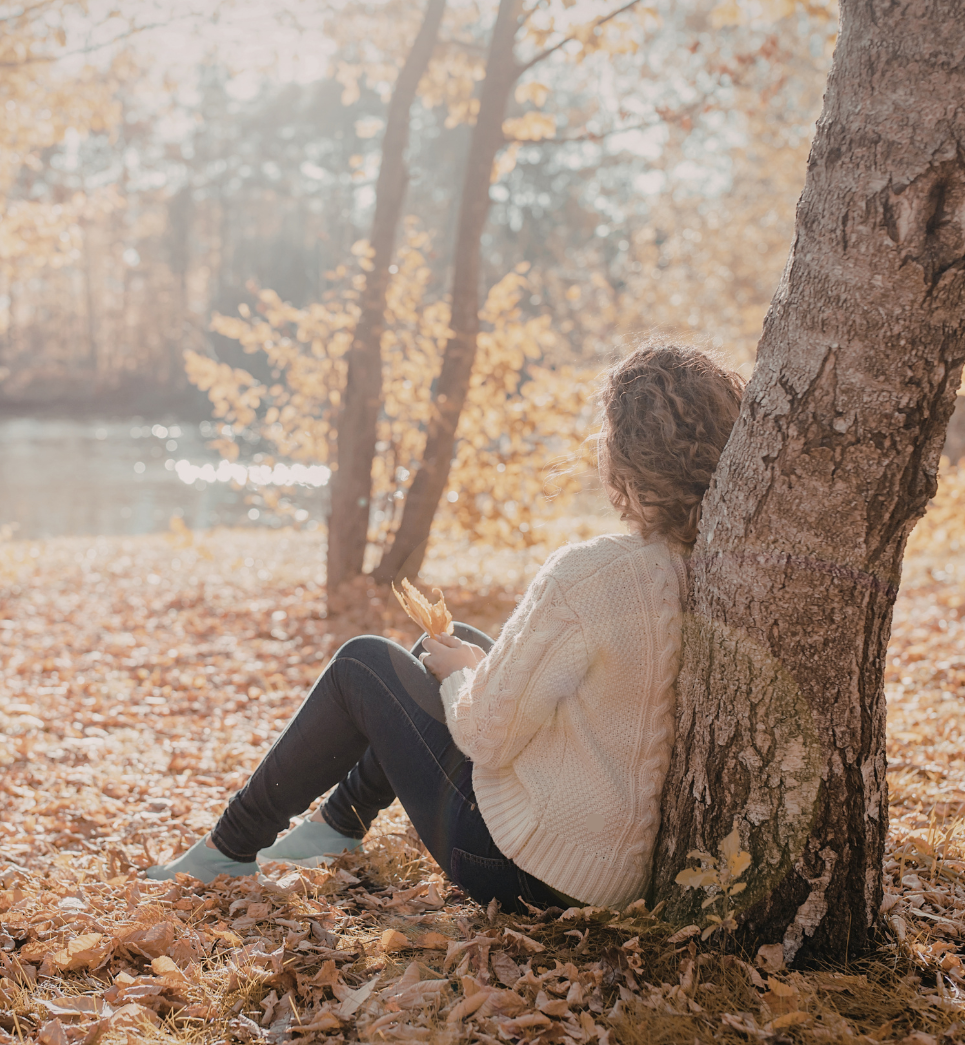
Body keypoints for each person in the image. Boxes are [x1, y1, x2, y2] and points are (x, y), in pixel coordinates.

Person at [147, 343, 745, 913]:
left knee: (365, 664)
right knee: (456, 646)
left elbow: (487, 736)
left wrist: (461, 679)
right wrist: (467, 668)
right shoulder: (716, 568)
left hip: (522, 869)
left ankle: (227, 849)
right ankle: (335, 828)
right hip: (611, 872)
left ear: (623, 454)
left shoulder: (595, 573)